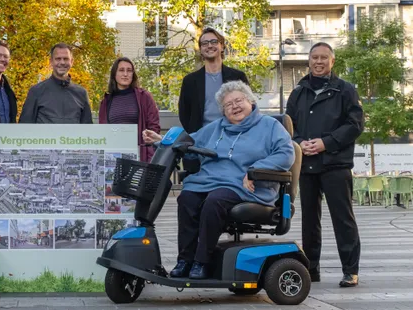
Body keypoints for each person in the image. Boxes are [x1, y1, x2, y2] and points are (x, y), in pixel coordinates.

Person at [144, 81, 294, 279]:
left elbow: (286, 154)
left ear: (250, 101)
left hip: (245, 186)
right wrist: (160, 140)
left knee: (215, 201)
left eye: (238, 101)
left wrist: (255, 169)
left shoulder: (270, 126)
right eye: (228, 104)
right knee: (187, 198)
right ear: (223, 111)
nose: (234, 106)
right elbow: (188, 143)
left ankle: (202, 261)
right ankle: (185, 260)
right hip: (209, 181)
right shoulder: (216, 128)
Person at [286, 42, 364, 288]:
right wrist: (300, 142)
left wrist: (326, 143)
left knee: (343, 219)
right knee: (309, 220)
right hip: (306, 164)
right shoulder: (298, 92)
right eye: (314, 57)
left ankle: (350, 270)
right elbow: (288, 125)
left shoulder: (346, 90)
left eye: (323, 58)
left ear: (332, 61)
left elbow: (355, 125)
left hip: (335, 164)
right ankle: (311, 269)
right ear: (308, 61)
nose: (318, 62)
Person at [178, 27, 249, 133]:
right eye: (205, 43)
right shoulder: (190, 81)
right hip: (202, 137)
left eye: (214, 42)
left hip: (233, 134)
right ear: (200, 50)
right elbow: (184, 113)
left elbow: (248, 106)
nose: (210, 45)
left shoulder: (237, 77)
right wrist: (195, 135)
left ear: (222, 46)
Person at [98, 57, 161, 162]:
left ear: (133, 74)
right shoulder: (106, 101)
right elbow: (103, 131)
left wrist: (148, 140)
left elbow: (154, 126)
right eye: (121, 70)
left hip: (140, 156)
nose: (125, 74)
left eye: (129, 70)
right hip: (114, 156)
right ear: (114, 74)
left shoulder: (144, 97)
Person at [19, 43, 93, 124]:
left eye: (66, 59)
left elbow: (88, 129)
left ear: (72, 62)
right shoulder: (36, 91)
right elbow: (24, 126)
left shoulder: (81, 94)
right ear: (51, 61)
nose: (62, 62)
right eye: (58, 59)